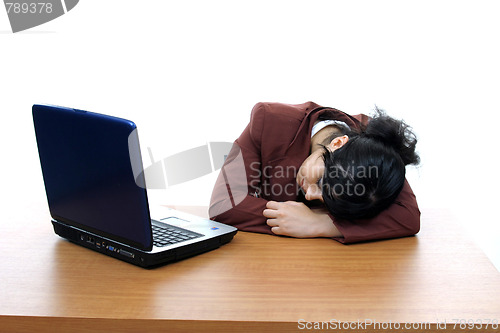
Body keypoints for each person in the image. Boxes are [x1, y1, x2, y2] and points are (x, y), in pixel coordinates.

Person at [209, 101, 420, 243]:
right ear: (337, 142)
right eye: (320, 181)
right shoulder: (270, 121)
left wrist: (321, 224)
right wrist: (289, 219)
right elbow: (224, 204)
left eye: (328, 198)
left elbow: (408, 217)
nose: (310, 195)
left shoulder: (379, 153)